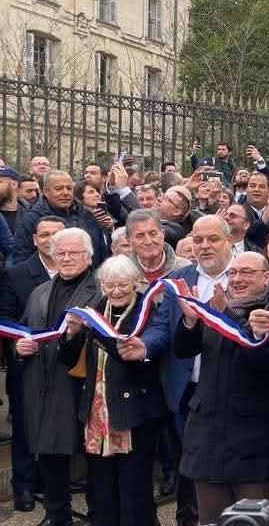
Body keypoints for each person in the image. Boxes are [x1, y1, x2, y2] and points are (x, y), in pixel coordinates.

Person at [173, 251, 269, 524]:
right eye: (233, 272)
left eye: (246, 272)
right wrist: (190, 320)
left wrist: (224, 316)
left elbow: (262, 358)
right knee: (210, 519)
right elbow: (183, 349)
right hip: (208, 436)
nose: (237, 278)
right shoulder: (217, 308)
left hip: (250, 441)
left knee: (250, 520)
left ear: (266, 277)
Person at [57, 255, 167, 526]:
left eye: (123, 284)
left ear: (135, 283)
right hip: (96, 412)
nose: (116, 291)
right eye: (109, 285)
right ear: (102, 285)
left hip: (135, 411)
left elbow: (135, 358)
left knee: (134, 488)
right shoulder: (94, 307)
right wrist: (71, 334)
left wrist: (98, 332)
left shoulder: (146, 311)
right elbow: (68, 360)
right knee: (101, 487)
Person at [141, 215, 235, 526]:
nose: (204, 246)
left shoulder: (246, 276)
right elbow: (161, 328)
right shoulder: (178, 281)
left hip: (233, 393)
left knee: (227, 465)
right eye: (198, 240)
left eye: (213, 239)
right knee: (190, 462)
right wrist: (143, 347)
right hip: (187, 390)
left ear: (229, 240)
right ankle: (190, 517)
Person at [16, 228, 101, 526]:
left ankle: (99, 517)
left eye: (73, 253)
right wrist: (19, 347)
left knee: (95, 464)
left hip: (85, 388)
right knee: (51, 461)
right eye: (60, 253)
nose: (66, 258)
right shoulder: (40, 291)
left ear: (88, 256)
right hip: (43, 387)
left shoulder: (102, 289)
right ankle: (57, 517)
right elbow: (26, 331)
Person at [0, 215, 64, 512]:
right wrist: (17, 345)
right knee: (24, 427)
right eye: (45, 234)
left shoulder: (79, 272)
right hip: (26, 362)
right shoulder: (16, 274)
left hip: (64, 364)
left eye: (58, 234)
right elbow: (7, 317)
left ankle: (53, 484)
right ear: (35, 239)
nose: (51, 239)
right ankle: (24, 485)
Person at [12, 170, 110, 265]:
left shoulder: (87, 215)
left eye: (69, 188)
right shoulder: (32, 219)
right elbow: (22, 257)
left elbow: (99, 252)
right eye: (59, 189)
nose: (65, 193)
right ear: (46, 192)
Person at [125, 209, 191, 287]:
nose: (148, 242)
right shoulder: (122, 273)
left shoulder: (185, 268)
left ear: (162, 234)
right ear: (129, 241)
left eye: (153, 234)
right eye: (140, 236)